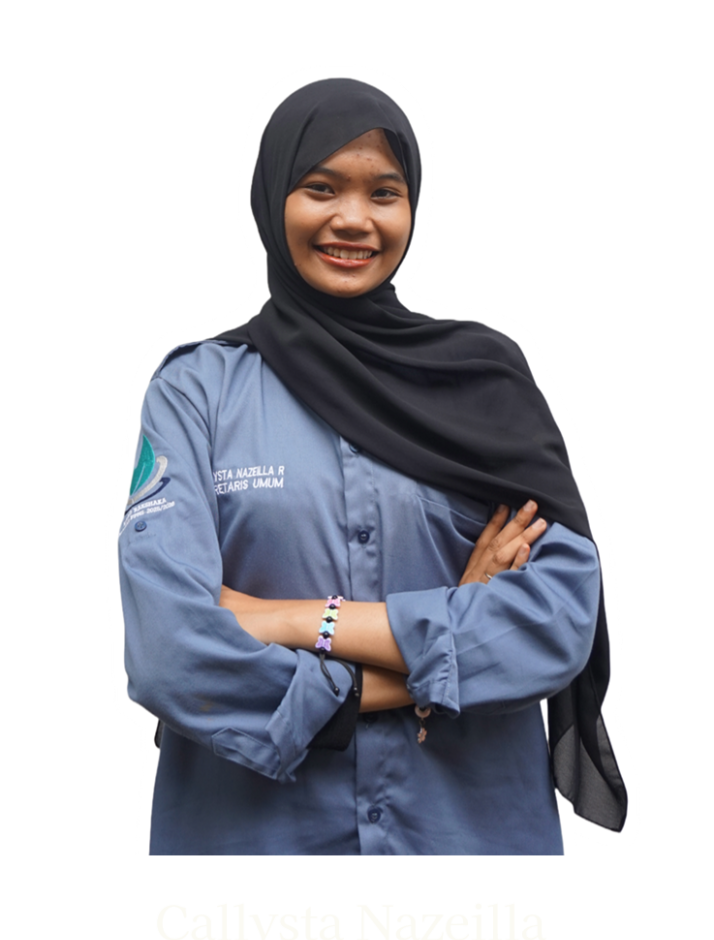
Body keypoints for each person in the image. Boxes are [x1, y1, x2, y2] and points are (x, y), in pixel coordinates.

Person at [118, 75, 627, 856]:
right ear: (270, 199)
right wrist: (437, 653)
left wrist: (296, 619)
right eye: (320, 187)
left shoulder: (483, 382)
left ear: (413, 207)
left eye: (384, 192)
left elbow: (557, 621)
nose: (354, 219)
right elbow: (169, 649)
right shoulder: (197, 390)